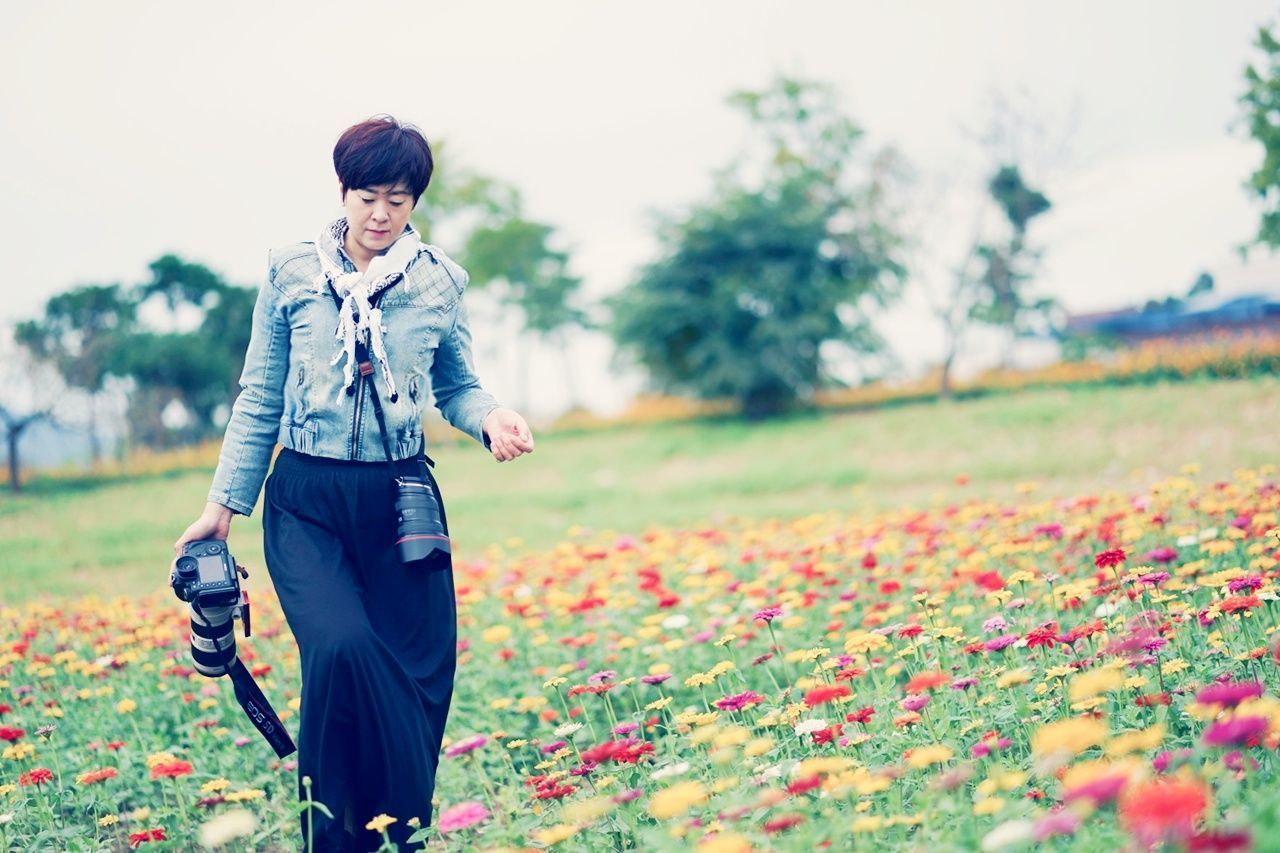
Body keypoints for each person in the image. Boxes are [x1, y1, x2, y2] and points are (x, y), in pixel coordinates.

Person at [173, 115, 534, 852]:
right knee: (340, 647)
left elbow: (456, 385)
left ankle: (398, 835)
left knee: (419, 672)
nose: (380, 214)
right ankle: (336, 840)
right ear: (342, 190)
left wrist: (491, 415)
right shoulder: (290, 273)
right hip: (307, 500)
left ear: (414, 203)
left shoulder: (439, 282)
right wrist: (221, 509)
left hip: (402, 503)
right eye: (368, 195)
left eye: (398, 200)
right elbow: (259, 394)